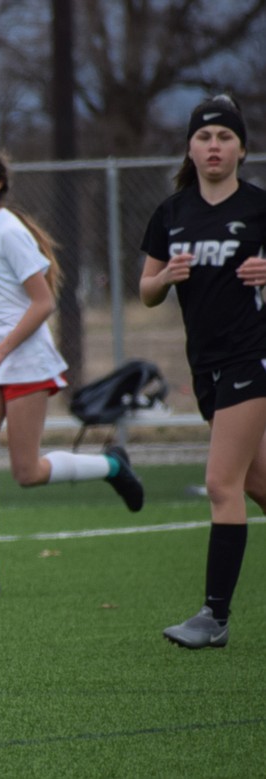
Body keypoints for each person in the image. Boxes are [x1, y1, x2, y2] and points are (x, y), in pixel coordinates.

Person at [0, 141, 145, 599]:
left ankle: (111, 465)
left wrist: (2, 350)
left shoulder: (8, 232)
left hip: (22, 358)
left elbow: (43, 302)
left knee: (27, 471)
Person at [139, 94, 266, 649]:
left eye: (224, 138)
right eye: (204, 138)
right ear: (189, 148)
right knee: (257, 481)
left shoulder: (260, 209)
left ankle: (214, 617)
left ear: (242, 148)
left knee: (221, 483)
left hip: (251, 358)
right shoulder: (172, 213)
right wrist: (166, 276)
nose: (214, 146)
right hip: (206, 368)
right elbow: (145, 292)